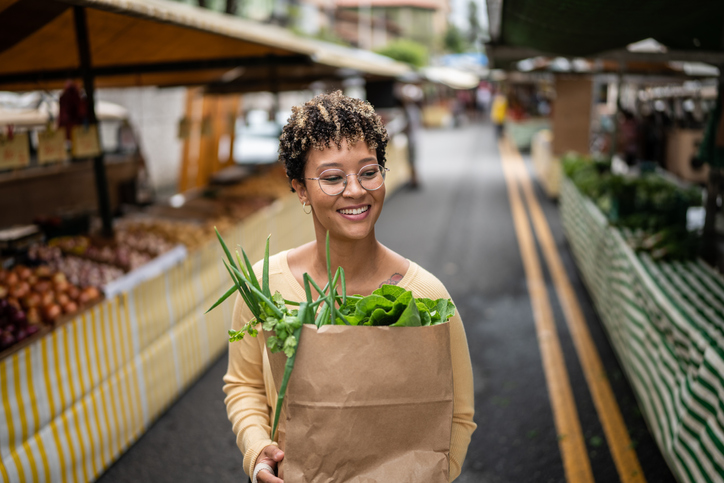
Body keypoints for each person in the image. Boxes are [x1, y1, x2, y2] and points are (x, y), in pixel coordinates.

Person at [222, 91, 477, 483]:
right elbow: (245, 385)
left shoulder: (426, 294)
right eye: (332, 177)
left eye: (368, 171)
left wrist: (435, 475)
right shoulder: (264, 286)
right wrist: (258, 454)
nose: (356, 190)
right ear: (301, 189)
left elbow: (457, 414)